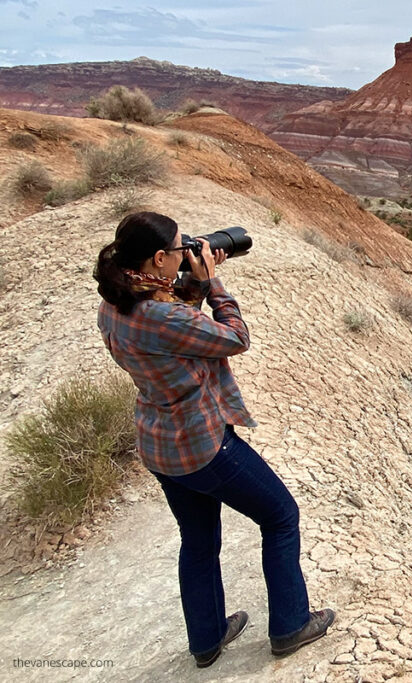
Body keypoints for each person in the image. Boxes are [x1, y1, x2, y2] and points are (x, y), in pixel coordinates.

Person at [93, 212, 334, 668]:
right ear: (160, 258)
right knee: (281, 516)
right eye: (182, 249)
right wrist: (216, 286)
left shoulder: (116, 302)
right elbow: (234, 339)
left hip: (158, 444)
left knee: (199, 542)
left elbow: (174, 328)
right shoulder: (159, 313)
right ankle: (290, 625)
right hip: (202, 445)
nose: (189, 253)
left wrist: (194, 285)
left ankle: (207, 640)